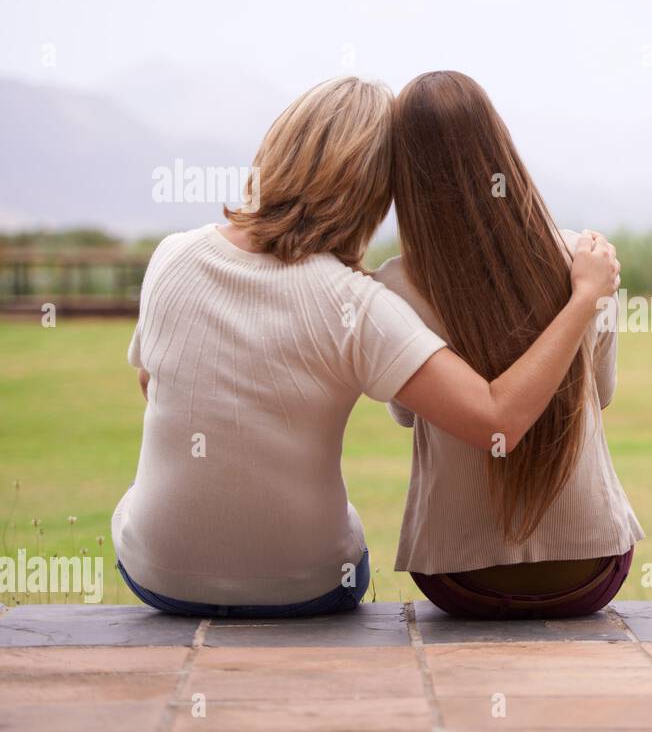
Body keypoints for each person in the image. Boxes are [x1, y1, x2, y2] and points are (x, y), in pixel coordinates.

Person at [113, 76, 619, 617]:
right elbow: (502, 419)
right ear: (377, 192)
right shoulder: (357, 302)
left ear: (275, 149)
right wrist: (584, 298)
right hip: (307, 583)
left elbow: (153, 384)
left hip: (157, 573)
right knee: (341, 530)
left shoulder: (172, 256)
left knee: (132, 507)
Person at [375, 70, 643, 619]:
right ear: (500, 146)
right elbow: (603, 392)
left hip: (458, 578)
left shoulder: (394, 285)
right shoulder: (584, 261)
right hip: (589, 573)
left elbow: (407, 414)